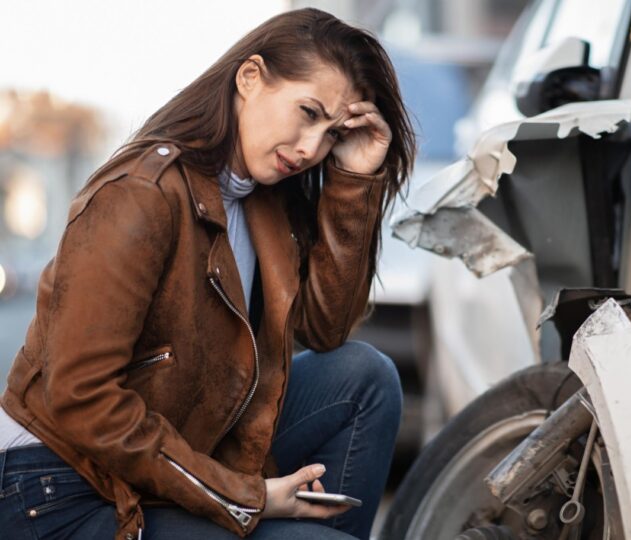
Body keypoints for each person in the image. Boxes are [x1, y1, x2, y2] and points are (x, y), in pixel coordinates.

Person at [0, 8, 415, 540]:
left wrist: (354, 180)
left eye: (333, 134)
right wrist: (250, 497)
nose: (313, 148)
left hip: (171, 449)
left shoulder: (265, 202)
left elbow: (325, 331)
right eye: (307, 113)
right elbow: (83, 400)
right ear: (250, 78)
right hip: (58, 486)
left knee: (364, 379)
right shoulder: (140, 195)